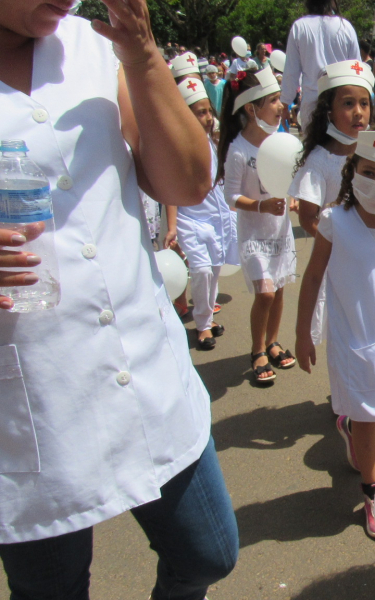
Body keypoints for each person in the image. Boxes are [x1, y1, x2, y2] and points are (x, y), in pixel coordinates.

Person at [0, 2, 239, 597]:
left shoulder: (93, 47)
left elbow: (187, 180)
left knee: (206, 554)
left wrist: (141, 53)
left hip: (143, 365)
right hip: (32, 393)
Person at [296, 127, 375, 539]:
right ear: (353, 171)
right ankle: (373, 495)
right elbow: (314, 275)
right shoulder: (336, 221)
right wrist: (302, 333)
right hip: (351, 343)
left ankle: (350, 426)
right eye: (370, 172)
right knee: (370, 420)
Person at [218, 66, 298, 384]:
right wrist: (261, 204)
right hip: (254, 231)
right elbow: (230, 197)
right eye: (275, 100)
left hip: (279, 228)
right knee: (264, 292)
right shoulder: (238, 150)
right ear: (252, 109)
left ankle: (273, 341)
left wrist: (292, 198)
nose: (282, 106)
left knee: (278, 290)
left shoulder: (281, 142)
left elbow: (291, 178)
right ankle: (257, 350)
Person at [165, 79, 239, 351]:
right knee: (202, 271)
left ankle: (206, 319)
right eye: (200, 112)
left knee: (214, 272)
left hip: (216, 217)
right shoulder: (176, 148)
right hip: (191, 219)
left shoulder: (213, 142)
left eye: (209, 111)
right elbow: (170, 191)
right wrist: (172, 227)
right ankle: (202, 326)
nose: (207, 117)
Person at [291, 60, 375, 238]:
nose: (358, 112)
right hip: (337, 256)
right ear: (329, 111)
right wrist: (339, 243)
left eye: (364, 103)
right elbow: (307, 218)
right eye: (348, 104)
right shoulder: (320, 161)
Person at [280, 0, 361, 131]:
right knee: (341, 148)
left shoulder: (299, 26)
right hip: (341, 102)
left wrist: (285, 103)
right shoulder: (345, 27)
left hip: (312, 103)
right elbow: (357, 69)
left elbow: (291, 72)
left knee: (312, 149)